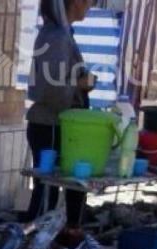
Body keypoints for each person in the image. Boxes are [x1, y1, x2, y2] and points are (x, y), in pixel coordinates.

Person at [25, 0, 96, 225]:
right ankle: (34, 241)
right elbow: (50, 89)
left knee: (70, 185)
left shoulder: (61, 34)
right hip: (51, 126)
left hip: (58, 126)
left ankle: (67, 234)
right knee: (47, 193)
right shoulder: (56, 37)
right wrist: (81, 84)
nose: (91, 5)